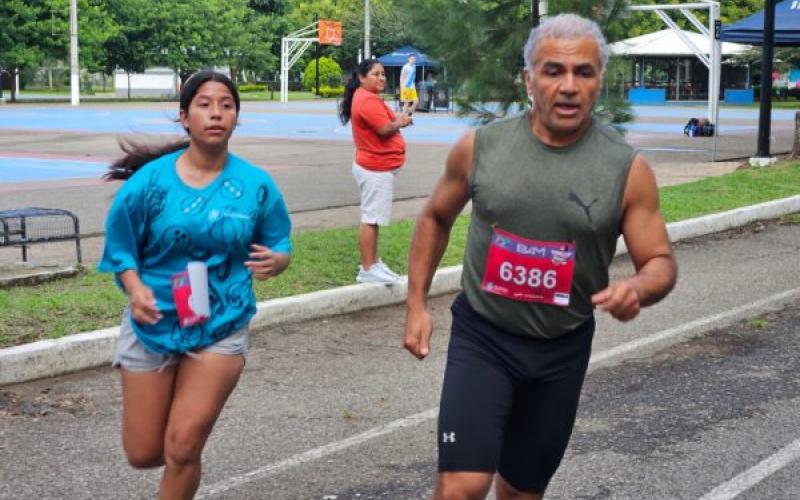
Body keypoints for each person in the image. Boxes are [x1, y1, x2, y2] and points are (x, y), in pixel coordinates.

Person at [403, 14, 677, 500]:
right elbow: (434, 219)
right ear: (529, 79)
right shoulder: (480, 148)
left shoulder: (625, 169)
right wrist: (417, 305)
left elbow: (659, 260)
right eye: (553, 71)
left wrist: (638, 287)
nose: (568, 86)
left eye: (583, 73)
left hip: (561, 350)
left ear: (599, 81)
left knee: (521, 492)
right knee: (460, 487)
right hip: (483, 337)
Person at [98, 70, 292, 499]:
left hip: (221, 321)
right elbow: (120, 245)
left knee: (183, 446)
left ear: (237, 116)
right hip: (154, 321)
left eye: (226, 104)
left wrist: (278, 259)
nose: (216, 113)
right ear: (185, 117)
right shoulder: (150, 182)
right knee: (144, 452)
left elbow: (280, 240)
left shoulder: (256, 185)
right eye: (204, 104)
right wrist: (134, 287)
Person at [339, 59, 412, 284]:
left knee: (374, 218)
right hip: (374, 168)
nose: (381, 78)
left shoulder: (368, 97)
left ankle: (373, 263)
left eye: (382, 74)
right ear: (362, 77)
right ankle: (368, 268)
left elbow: (388, 122)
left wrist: (400, 119)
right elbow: (383, 128)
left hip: (376, 166)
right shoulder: (366, 101)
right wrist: (402, 122)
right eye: (375, 74)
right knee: (371, 218)